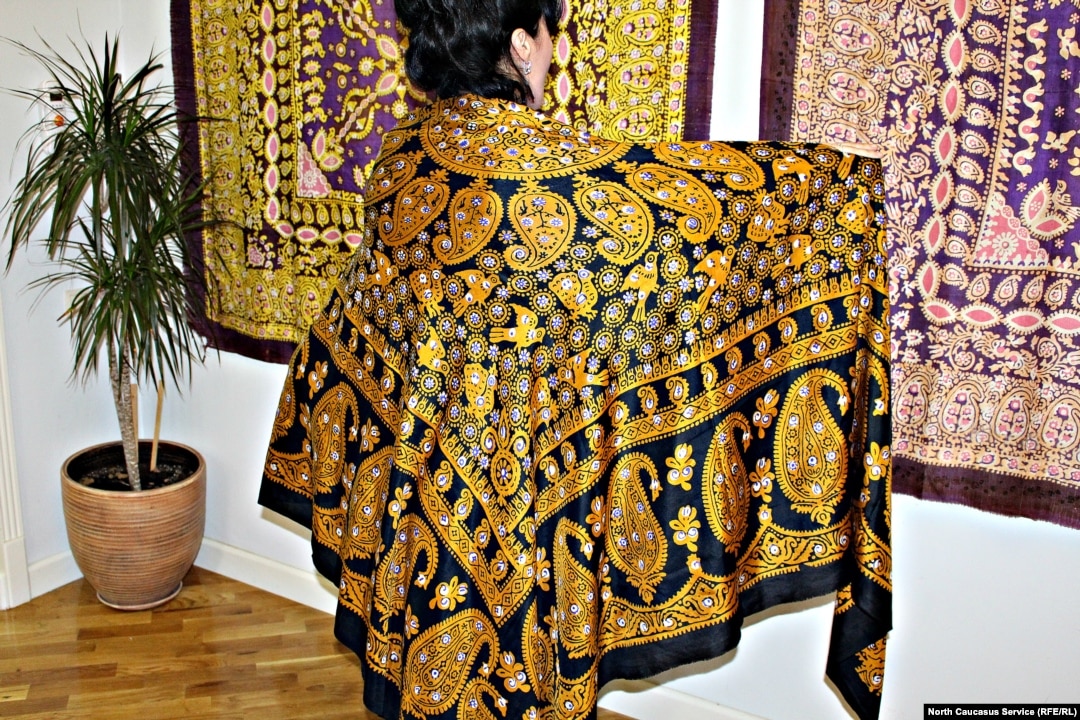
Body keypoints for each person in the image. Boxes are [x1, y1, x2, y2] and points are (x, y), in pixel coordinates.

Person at [258, 1, 892, 718]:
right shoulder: (560, 180)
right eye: (549, 33)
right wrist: (845, 187)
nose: (552, 52)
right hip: (530, 513)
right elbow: (706, 199)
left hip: (424, 508)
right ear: (522, 45)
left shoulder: (405, 153)